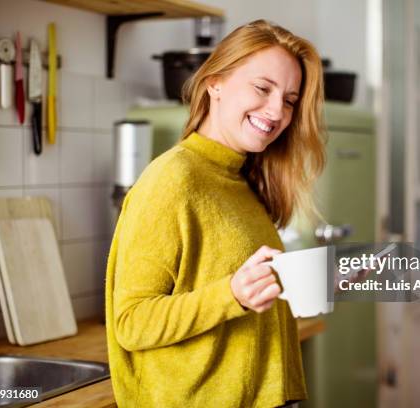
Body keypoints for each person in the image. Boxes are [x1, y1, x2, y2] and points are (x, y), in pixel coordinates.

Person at [105, 19, 325, 407]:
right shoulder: (172, 179)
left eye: (289, 100)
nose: (276, 111)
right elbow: (131, 323)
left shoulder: (240, 180)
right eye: (262, 88)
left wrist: (304, 280)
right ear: (215, 82)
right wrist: (232, 295)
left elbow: (240, 290)